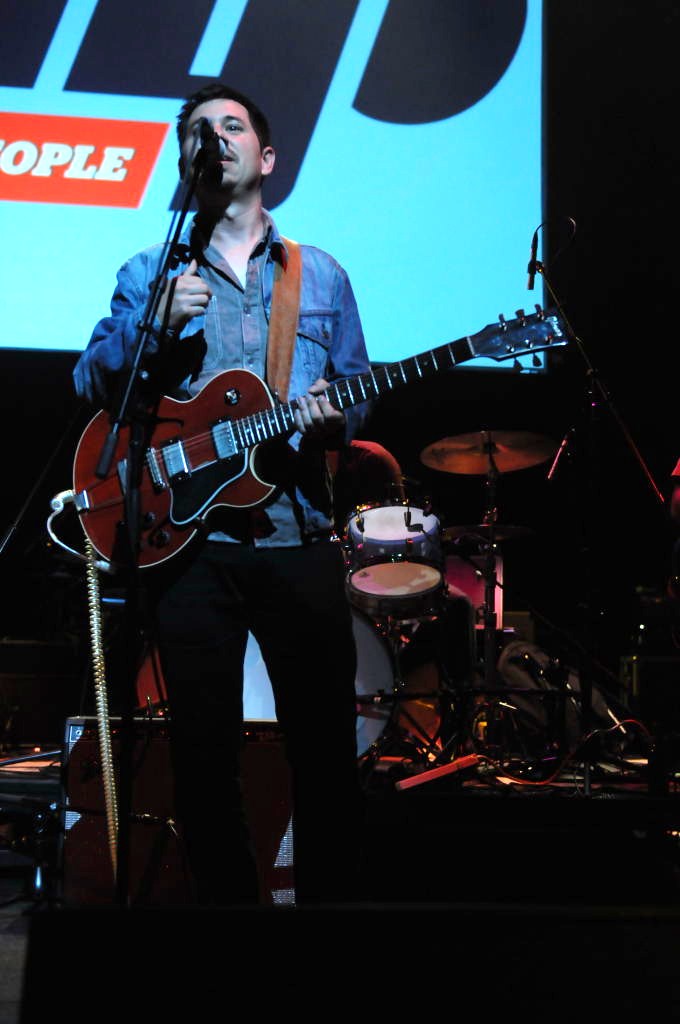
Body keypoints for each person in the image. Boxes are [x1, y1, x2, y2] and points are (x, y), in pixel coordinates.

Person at [72, 83, 372, 906]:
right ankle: (233, 934)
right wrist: (155, 325)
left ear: (265, 158)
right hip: (188, 548)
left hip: (296, 535)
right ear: (185, 162)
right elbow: (92, 382)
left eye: (232, 125)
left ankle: (331, 927)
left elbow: (358, 389)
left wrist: (334, 417)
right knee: (202, 759)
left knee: (324, 750)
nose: (215, 136)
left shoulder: (320, 274)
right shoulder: (150, 271)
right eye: (198, 130)